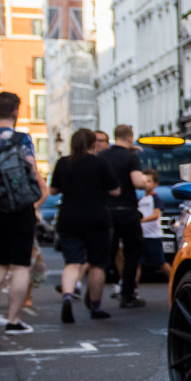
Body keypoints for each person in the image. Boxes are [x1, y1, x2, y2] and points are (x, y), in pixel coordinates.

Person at [50, 128, 121, 323]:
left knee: (73, 263)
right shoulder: (100, 163)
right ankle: (96, 307)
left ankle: (67, 296)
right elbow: (115, 190)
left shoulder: (63, 162)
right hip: (97, 218)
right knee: (98, 264)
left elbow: (53, 190)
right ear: (93, 144)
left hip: (69, 217)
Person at [0, 91, 48, 334]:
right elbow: (32, 171)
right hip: (19, 208)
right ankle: (13, 320)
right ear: (16, 112)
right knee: (19, 266)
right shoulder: (22, 139)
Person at [100, 124, 147, 308]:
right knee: (132, 252)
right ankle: (127, 294)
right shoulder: (131, 157)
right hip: (127, 209)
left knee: (106, 253)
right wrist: (144, 182)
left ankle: (93, 294)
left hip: (106, 210)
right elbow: (137, 182)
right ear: (130, 138)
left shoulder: (102, 157)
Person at [138, 169, 171, 281]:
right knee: (137, 263)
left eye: (148, 181)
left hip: (153, 236)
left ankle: (173, 280)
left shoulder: (155, 198)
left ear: (155, 184)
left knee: (161, 263)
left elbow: (156, 215)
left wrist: (141, 220)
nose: (145, 184)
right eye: (143, 181)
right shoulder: (142, 199)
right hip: (143, 236)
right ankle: (132, 289)